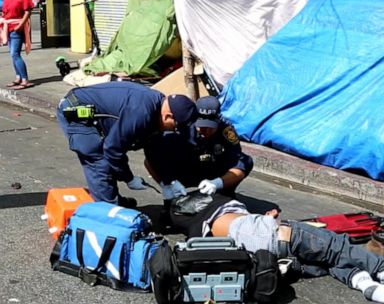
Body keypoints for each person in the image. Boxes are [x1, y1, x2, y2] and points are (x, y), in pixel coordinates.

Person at [169, 192, 384, 303]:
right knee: (336, 248)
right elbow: (260, 220)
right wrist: (269, 218)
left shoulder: (200, 231)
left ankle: (365, 284)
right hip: (283, 235)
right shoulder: (220, 205)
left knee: (326, 261)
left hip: (271, 258)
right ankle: (381, 269)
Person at [56, 82, 198, 208]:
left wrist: (167, 182)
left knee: (111, 160)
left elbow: (154, 149)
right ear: (167, 116)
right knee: (99, 161)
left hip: (97, 118)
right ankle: (108, 212)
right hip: (76, 111)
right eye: (175, 126)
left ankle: (112, 200)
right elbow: (113, 149)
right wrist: (129, 178)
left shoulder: (158, 109)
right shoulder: (142, 112)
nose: (174, 130)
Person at [144, 95, 253, 205]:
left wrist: (218, 183)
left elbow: (238, 162)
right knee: (151, 161)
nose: (205, 131)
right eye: (201, 126)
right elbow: (154, 154)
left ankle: (223, 193)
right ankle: (171, 198)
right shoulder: (182, 125)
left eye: (210, 127)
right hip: (185, 169)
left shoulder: (226, 131)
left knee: (246, 162)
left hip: (211, 170)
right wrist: (167, 183)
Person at [1, 0, 34, 89]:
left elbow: (28, 11)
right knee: (12, 54)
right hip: (7, 27)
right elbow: (5, 12)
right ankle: (18, 77)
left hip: (16, 27)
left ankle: (25, 79)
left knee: (15, 53)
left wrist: (20, 25)